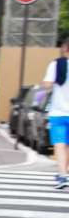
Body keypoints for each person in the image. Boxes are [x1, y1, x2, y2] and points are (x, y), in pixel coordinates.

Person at [41, 37, 69, 189]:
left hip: (58, 112)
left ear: (65, 48)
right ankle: (64, 172)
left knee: (59, 145)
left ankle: (63, 176)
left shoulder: (56, 64)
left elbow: (47, 84)